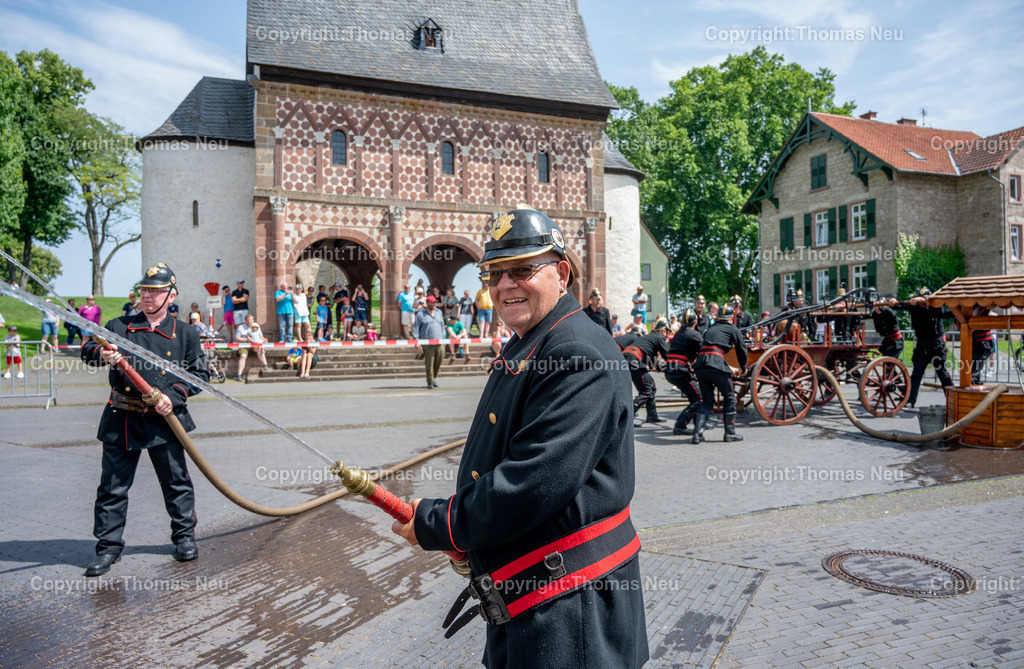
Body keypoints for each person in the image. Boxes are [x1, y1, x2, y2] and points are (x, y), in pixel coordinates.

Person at [391, 208, 647, 666]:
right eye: (495, 273)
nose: (506, 284)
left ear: (562, 273)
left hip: (571, 612)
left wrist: (441, 522)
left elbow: (532, 483)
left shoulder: (576, 351)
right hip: (533, 599)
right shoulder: (537, 339)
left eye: (524, 270)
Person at [80, 263, 209, 577]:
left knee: (176, 483)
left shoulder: (186, 333)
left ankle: (183, 537)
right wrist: (102, 355)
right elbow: (86, 350)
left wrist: (173, 396)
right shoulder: (118, 325)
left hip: (164, 419)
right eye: (145, 291)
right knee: (112, 486)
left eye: (156, 291)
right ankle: (108, 547)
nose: (148, 296)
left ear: (171, 295)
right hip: (122, 417)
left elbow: (200, 375)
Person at [692, 304, 748, 443]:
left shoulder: (711, 328)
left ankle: (697, 434)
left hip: (701, 365)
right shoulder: (732, 329)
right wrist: (743, 367)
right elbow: (742, 349)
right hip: (716, 365)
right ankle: (730, 433)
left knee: (707, 401)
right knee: (730, 397)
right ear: (731, 317)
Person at [891, 288, 953, 407]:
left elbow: (947, 311)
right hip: (921, 346)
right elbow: (900, 305)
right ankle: (910, 401)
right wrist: (894, 302)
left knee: (943, 375)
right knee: (916, 375)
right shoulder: (915, 307)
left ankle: (952, 401)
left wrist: (923, 300)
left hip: (936, 347)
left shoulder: (935, 308)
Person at [622, 319, 671, 424]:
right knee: (646, 391)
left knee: (651, 386)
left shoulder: (650, 337)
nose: (668, 334)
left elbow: (651, 359)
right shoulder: (659, 338)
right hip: (635, 360)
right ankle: (626, 418)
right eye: (668, 331)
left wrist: (659, 366)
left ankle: (652, 415)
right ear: (663, 330)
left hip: (629, 359)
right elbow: (668, 357)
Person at [665, 309, 704, 435]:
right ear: (696, 322)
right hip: (680, 371)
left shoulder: (678, 333)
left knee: (694, 398)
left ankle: (699, 422)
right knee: (699, 399)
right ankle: (680, 425)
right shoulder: (694, 335)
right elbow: (703, 351)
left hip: (672, 370)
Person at [413, 294, 445, 388]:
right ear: (427, 303)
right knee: (429, 362)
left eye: (435, 302)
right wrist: (416, 341)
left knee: (439, 360)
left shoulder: (439, 312)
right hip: (427, 342)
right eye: (432, 303)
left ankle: (433, 377)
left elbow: (442, 326)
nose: (434, 304)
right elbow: (416, 328)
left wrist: (444, 339)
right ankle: (430, 381)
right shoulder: (421, 314)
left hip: (439, 341)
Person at [235, 313, 268, 380]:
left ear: (253, 320)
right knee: (243, 356)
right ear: (245, 320)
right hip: (244, 345)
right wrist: (246, 339)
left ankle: (265, 364)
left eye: (251, 320)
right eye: (248, 320)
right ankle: (239, 374)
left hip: (254, 344)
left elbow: (260, 336)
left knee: (259, 349)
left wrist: (264, 340)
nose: (249, 321)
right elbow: (237, 338)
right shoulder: (241, 327)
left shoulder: (257, 327)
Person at [971, 306, 996, 385]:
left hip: (984, 342)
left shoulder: (982, 309)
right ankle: (974, 380)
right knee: (977, 363)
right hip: (979, 342)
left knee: (977, 364)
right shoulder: (972, 308)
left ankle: (974, 380)